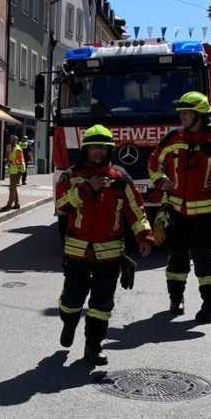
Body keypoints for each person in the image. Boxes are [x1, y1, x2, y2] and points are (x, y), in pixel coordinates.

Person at [55, 124, 153, 366]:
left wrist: (144, 236)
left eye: (102, 148)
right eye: (93, 148)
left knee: (101, 305)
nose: (97, 152)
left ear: (109, 150)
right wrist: (88, 188)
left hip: (109, 255)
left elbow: (135, 210)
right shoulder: (71, 176)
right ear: (85, 149)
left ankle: (93, 346)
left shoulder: (120, 179)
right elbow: (61, 206)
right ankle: (69, 324)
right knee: (71, 300)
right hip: (77, 253)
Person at [148, 91, 211, 324]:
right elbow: (154, 161)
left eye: (186, 112)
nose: (181, 117)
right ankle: (176, 299)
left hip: (205, 214)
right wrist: (162, 182)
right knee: (176, 259)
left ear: (200, 114)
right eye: (181, 112)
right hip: (176, 212)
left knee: (205, 260)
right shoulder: (173, 137)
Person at [1, 134, 24, 211]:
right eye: (11, 140)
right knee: (13, 187)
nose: (11, 141)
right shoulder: (12, 148)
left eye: (13, 140)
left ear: (16, 141)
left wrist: (11, 161)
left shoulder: (18, 149)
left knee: (12, 188)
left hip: (17, 170)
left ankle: (9, 204)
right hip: (13, 170)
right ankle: (17, 203)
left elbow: (19, 161)